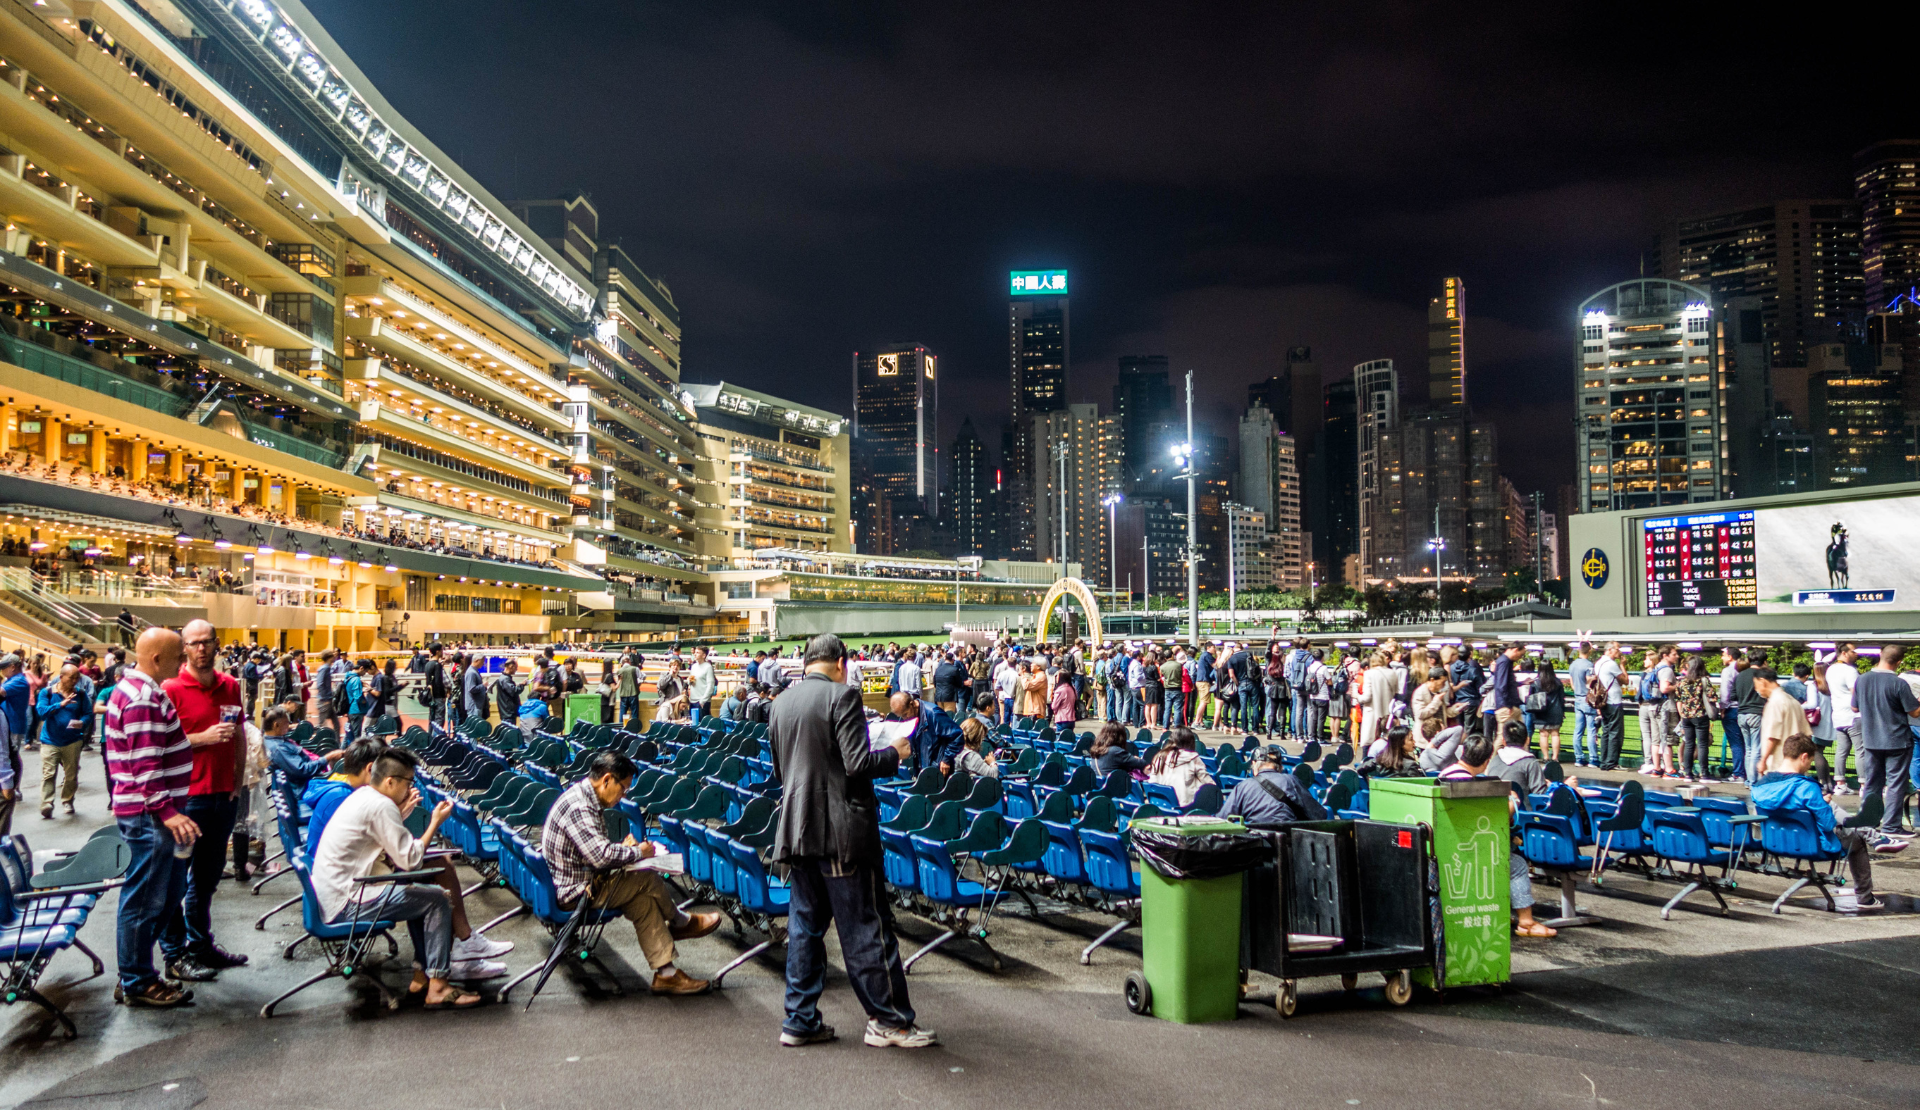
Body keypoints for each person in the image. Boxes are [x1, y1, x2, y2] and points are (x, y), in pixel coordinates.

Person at [768, 633, 932, 1049]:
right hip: (841, 833)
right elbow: (857, 764)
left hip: (796, 831)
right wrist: (895, 752)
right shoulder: (843, 697)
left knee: (805, 929)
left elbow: (780, 772)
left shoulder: (781, 704)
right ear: (842, 662)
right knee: (866, 928)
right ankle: (889, 1021)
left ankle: (799, 1021)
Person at [307, 748, 481, 1008]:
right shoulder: (381, 805)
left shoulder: (364, 796)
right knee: (436, 900)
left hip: (333, 895)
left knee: (419, 892)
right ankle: (439, 986)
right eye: (408, 782)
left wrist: (400, 813)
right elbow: (409, 859)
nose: (411, 787)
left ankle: (423, 976)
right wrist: (435, 822)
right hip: (346, 904)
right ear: (390, 782)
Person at [541, 751, 720, 995]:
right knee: (645, 876)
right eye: (623, 788)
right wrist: (638, 853)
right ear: (606, 780)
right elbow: (601, 857)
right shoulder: (580, 807)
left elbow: (592, 852)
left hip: (581, 881)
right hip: (577, 893)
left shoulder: (582, 798)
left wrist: (623, 850)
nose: (623, 796)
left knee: (642, 899)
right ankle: (680, 921)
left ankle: (666, 974)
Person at [102, 627, 198, 1008]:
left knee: (166, 892)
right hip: (150, 816)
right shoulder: (143, 698)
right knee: (144, 898)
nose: (184, 661)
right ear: (157, 659)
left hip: (149, 812)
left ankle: (133, 971)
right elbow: (145, 766)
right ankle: (137, 980)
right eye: (179, 655)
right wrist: (167, 812)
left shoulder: (136, 691)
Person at [157, 619, 248, 984]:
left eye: (207, 642)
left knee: (207, 879)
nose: (201, 649)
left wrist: (238, 783)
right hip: (186, 800)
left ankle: (201, 945)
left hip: (222, 795)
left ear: (217, 643)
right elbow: (160, 744)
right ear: (184, 648)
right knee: (175, 880)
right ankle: (174, 954)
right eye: (193, 643)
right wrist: (203, 737)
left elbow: (239, 734)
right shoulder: (170, 688)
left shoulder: (230, 686)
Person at [1752, 735, 1901, 913]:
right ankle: (1865, 896)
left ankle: (1873, 835)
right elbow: (1827, 823)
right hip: (1810, 844)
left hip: (1776, 843)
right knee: (1856, 839)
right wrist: (1823, 804)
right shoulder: (1806, 787)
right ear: (1803, 756)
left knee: (1831, 809)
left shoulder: (1760, 785)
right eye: (1810, 762)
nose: (1809, 766)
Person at [1850, 644, 1920, 841]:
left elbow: (1854, 708)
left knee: (1873, 783)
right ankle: (1891, 826)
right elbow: (1914, 711)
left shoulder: (1861, 680)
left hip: (1871, 739)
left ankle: (1869, 822)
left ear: (1880, 656)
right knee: (1896, 784)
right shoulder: (1899, 683)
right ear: (1899, 662)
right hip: (1897, 740)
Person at [1217, 748, 1328, 826]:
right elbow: (1319, 814)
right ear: (1279, 767)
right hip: (1288, 843)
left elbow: (1223, 818)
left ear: (1254, 765)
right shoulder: (1291, 781)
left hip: (1257, 845)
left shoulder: (1243, 786)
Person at [36, 663, 88, 818]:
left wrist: (82, 723)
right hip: (50, 740)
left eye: (77, 678)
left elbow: (87, 713)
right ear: (61, 677)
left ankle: (67, 800)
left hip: (72, 740)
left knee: (71, 774)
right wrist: (60, 704)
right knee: (48, 773)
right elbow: (41, 712)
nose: (74, 681)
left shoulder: (81, 694)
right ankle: (47, 804)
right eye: (71, 678)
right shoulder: (47, 692)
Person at [1674, 656, 1718, 783]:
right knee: (1702, 745)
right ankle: (1704, 773)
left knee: (1689, 744)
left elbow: (1678, 699)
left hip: (1686, 717)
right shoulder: (1703, 681)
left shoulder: (1681, 682)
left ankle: (1688, 773)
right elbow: (1712, 697)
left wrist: (1682, 713)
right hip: (1700, 716)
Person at [1146, 727, 1214, 807]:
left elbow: (1152, 783)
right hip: (1186, 807)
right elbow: (1209, 784)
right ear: (1191, 743)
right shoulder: (1193, 759)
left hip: (1161, 805)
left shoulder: (1159, 757)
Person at [1828, 644, 1861, 795]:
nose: (1856, 654)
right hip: (1853, 715)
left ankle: (1840, 784)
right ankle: (1864, 784)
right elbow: (1856, 694)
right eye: (1853, 651)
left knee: (1842, 750)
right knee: (1861, 750)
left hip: (1838, 716)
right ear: (1844, 653)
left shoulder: (1830, 669)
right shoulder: (1850, 671)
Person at [1592, 642, 1626, 771]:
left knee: (1606, 731)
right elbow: (1624, 680)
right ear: (1610, 650)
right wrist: (1622, 665)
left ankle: (1604, 761)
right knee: (1615, 732)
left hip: (1604, 701)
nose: (1619, 652)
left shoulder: (1598, 663)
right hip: (1613, 701)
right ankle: (1611, 762)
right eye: (1617, 649)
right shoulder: (1611, 664)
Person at [1566, 645, 1596, 767]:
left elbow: (1572, 684)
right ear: (1590, 651)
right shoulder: (1589, 665)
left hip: (1577, 698)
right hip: (1587, 699)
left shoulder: (1573, 665)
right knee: (1591, 730)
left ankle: (1579, 757)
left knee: (1578, 730)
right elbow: (1589, 681)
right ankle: (1593, 758)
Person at [1355, 725, 1425, 778]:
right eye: (1411, 739)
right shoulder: (1410, 765)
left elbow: (1358, 770)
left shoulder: (1378, 761)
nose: (1414, 742)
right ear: (1400, 743)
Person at [1489, 643, 1524, 732]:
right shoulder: (1504, 662)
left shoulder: (1505, 661)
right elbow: (1502, 685)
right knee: (1504, 735)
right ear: (1515, 650)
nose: (1521, 657)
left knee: (1518, 734)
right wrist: (1508, 705)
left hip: (1508, 705)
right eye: (1521, 654)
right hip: (1507, 706)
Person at [688, 646, 716, 723]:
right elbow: (692, 682)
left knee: (702, 725)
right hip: (692, 701)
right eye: (695, 652)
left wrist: (703, 701)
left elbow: (710, 685)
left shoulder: (708, 667)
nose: (695, 654)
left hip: (702, 702)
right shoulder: (693, 666)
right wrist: (689, 681)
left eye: (697, 652)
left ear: (704, 655)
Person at [616, 652, 641, 727]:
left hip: (623, 694)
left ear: (622, 663)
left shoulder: (619, 671)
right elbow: (642, 677)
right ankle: (634, 730)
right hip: (633, 694)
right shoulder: (635, 669)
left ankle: (621, 729)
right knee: (634, 714)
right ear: (629, 662)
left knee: (622, 714)